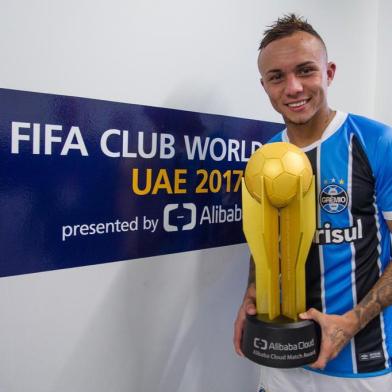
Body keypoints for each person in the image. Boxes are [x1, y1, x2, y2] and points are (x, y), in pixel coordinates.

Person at [233, 14, 392, 392]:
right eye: (277, 77)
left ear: (329, 72)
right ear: (264, 85)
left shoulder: (375, 143)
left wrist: (351, 322)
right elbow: (265, 240)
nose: (293, 87)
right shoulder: (266, 157)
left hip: (361, 365)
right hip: (280, 363)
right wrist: (251, 297)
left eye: (305, 70)